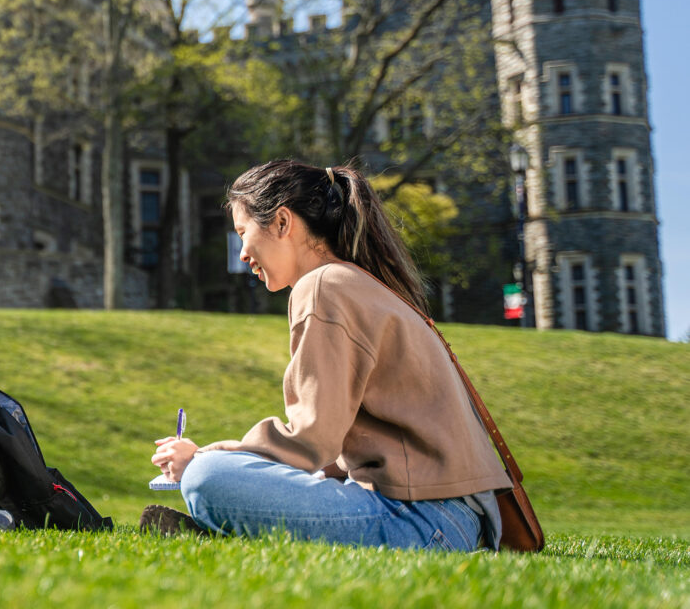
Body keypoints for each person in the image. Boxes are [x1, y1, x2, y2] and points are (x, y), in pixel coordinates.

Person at [147, 160, 511, 551]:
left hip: (424, 521)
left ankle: (226, 524)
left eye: (242, 233)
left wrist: (199, 458)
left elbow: (309, 440)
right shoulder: (359, 283)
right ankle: (231, 531)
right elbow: (335, 451)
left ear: (283, 222)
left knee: (208, 478)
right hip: (455, 518)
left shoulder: (323, 287)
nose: (242, 254)